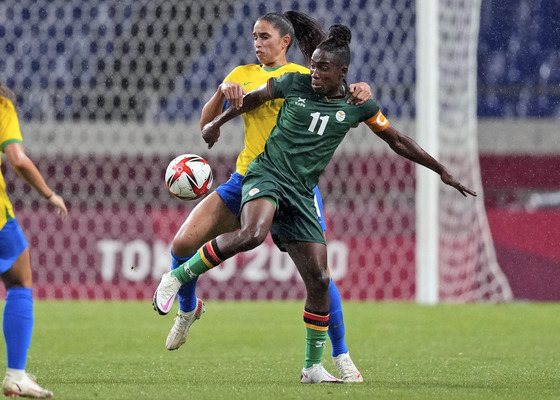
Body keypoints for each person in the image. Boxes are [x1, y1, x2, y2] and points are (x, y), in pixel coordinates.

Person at [154, 23, 477, 383]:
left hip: (302, 191)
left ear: (342, 72)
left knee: (320, 279)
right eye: (315, 66)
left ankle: (315, 366)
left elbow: (397, 140)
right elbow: (255, 99)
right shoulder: (290, 82)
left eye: (323, 68)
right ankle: (179, 280)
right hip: (263, 173)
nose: (315, 73)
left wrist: (442, 170)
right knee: (252, 233)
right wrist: (216, 122)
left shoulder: (357, 104)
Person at [154, 11, 368, 382]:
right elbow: (206, 123)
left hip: (297, 186)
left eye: (265, 36)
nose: (257, 43)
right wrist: (223, 94)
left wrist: (360, 88)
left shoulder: (305, 77)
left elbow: (343, 91)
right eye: (254, 36)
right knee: (182, 243)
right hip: (247, 178)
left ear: (285, 42)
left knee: (320, 278)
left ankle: (341, 355)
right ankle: (187, 310)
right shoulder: (241, 75)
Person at [0, 83, 68, 398]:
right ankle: (15, 375)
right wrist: (49, 194)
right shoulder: (2, 106)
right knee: (19, 280)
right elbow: (18, 159)